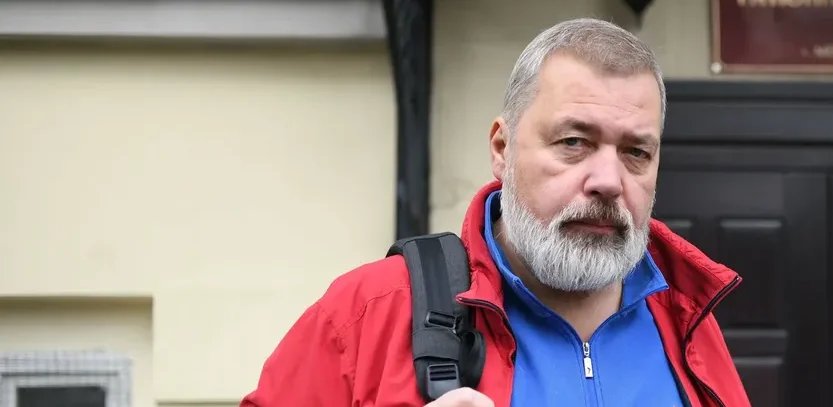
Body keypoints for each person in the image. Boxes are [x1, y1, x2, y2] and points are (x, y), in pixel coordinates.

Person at [241, 17, 750, 407]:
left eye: (636, 152)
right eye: (573, 142)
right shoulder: (367, 313)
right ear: (502, 148)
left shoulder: (688, 322)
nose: (608, 181)